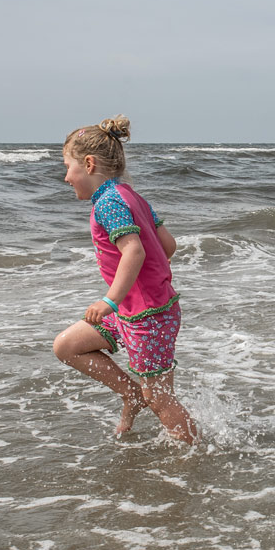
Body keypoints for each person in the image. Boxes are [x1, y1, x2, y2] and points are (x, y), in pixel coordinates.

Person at [53, 115, 198, 444]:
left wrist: (110, 300)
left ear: (89, 164)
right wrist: (139, 288)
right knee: (68, 346)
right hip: (137, 310)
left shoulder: (108, 203)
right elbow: (168, 245)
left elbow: (134, 252)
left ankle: (197, 459)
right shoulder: (131, 195)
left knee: (160, 398)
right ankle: (130, 394)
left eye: (68, 166)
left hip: (148, 317)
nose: (66, 177)